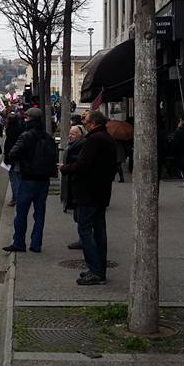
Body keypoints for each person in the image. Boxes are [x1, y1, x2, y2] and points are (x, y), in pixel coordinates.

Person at [60, 111, 117, 286]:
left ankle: (95, 270)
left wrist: (65, 168)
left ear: (93, 123)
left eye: (85, 121)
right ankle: (99, 270)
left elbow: (83, 165)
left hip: (89, 192)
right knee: (99, 231)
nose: (83, 123)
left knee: (85, 230)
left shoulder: (94, 140)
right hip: (101, 191)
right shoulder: (107, 138)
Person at [3, 108, 57, 253]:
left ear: (29, 118)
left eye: (26, 117)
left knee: (21, 213)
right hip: (44, 180)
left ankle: (19, 243)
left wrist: (23, 161)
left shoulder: (25, 136)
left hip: (27, 179)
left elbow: (13, 154)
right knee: (39, 213)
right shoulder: (47, 137)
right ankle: (36, 244)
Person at [61, 125, 87, 250]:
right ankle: (83, 240)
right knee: (78, 215)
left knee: (81, 216)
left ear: (80, 135)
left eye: (73, 134)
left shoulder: (81, 146)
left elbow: (78, 165)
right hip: (74, 185)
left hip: (79, 186)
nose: (70, 136)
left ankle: (85, 241)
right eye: (70, 133)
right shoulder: (75, 145)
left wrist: (64, 167)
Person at [2, 114, 24, 207]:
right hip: (16, 158)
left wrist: (7, 158)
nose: (5, 122)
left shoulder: (12, 132)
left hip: (13, 159)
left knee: (14, 179)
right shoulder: (18, 129)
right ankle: (18, 197)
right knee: (17, 178)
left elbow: (10, 147)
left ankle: (16, 198)